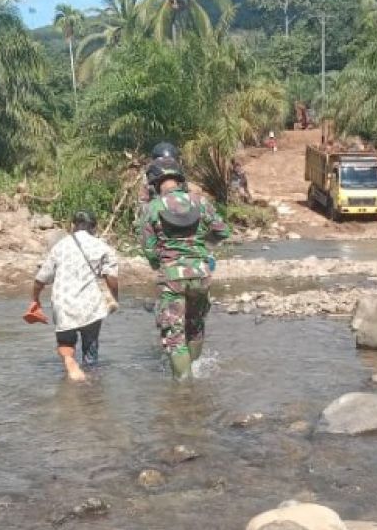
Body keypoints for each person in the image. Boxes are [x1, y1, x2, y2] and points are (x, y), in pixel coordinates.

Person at [137, 161, 231, 380]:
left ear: (155, 184)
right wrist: (201, 242)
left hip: (171, 277)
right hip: (200, 274)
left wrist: (158, 262)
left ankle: (184, 390)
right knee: (196, 325)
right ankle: (195, 371)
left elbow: (149, 248)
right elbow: (223, 231)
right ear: (180, 180)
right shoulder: (200, 202)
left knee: (174, 335)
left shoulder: (153, 207)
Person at [31, 211, 119, 382]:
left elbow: (41, 279)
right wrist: (114, 297)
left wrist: (35, 299)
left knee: (65, 342)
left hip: (63, 304)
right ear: (94, 227)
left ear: (72, 226)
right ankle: (91, 386)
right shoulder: (103, 247)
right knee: (90, 347)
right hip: (91, 306)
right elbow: (112, 279)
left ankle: (70, 362)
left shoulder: (60, 246)